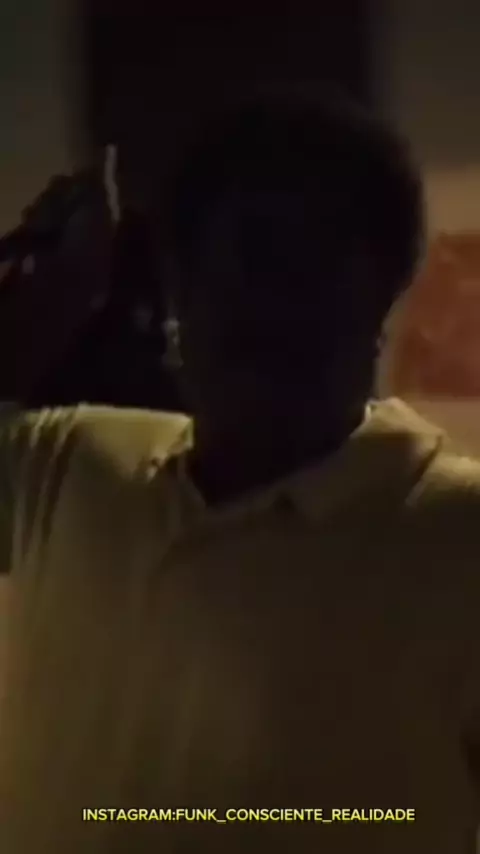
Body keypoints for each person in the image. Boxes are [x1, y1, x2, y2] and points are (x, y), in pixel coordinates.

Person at [1, 91, 480, 854]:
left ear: (380, 301)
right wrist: (41, 306)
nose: (280, 309)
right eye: (256, 259)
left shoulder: (459, 536)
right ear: (180, 290)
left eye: (317, 271)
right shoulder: (68, 460)